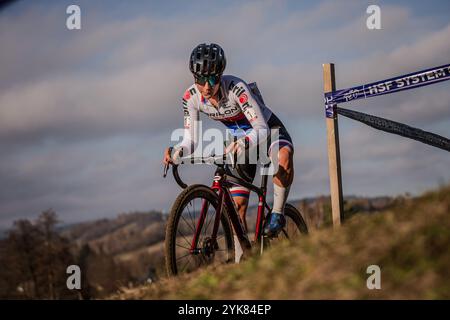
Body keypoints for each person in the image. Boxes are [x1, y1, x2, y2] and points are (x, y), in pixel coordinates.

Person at [163, 43, 295, 239]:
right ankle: (242, 261)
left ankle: (277, 213)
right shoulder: (190, 98)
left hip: (267, 131)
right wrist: (177, 151)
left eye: (212, 78)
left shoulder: (236, 88)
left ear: (220, 75)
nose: (207, 86)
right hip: (241, 140)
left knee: (283, 158)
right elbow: (191, 139)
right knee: (237, 207)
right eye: (201, 79)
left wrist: (242, 143)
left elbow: (261, 128)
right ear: (194, 76)